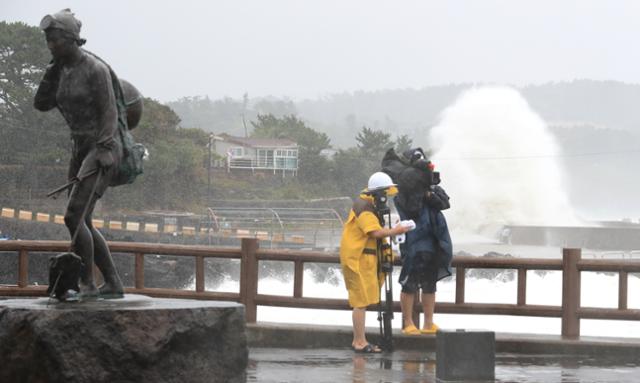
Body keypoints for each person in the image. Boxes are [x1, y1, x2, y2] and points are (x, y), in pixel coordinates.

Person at [34, 9, 125, 299]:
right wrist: (49, 75)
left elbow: (110, 112)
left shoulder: (94, 69)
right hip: (78, 147)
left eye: (56, 40)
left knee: (73, 216)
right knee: (82, 219)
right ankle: (112, 282)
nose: (51, 45)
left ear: (72, 39)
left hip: (101, 146)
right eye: (48, 41)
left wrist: (105, 148)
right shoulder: (59, 70)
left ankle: (87, 282)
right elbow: (41, 105)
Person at [339, 172, 411, 353]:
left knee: (362, 301)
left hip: (364, 259)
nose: (386, 198)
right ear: (377, 194)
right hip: (358, 260)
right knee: (360, 302)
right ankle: (359, 342)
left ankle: (360, 340)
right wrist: (396, 231)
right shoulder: (364, 207)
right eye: (384, 194)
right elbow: (374, 232)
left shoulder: (367, 205)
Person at [384, 148, 453, 335]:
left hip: (433, 243)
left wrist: (428, 193)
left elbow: (445, 203)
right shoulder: (403, 195)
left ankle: (428, 322)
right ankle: (408, 323)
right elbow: (411, 208)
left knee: (430, 285)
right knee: (409, 284)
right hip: (414, 244)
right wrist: (419, 192)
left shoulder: (432, 191)